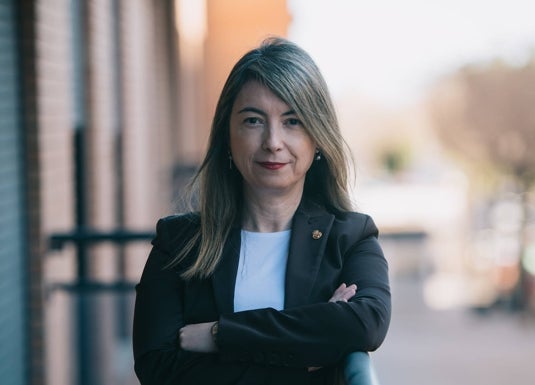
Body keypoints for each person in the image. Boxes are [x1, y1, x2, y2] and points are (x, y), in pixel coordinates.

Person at [132, 37, 391, 385]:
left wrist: (219, 335)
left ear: (318, 140)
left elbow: (365, 324)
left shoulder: (350, 238)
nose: (273, 141)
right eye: (253, 121)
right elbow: (158, 369)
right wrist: (301, 358)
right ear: (228, 136)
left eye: (293, 121)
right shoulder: (178, 244)